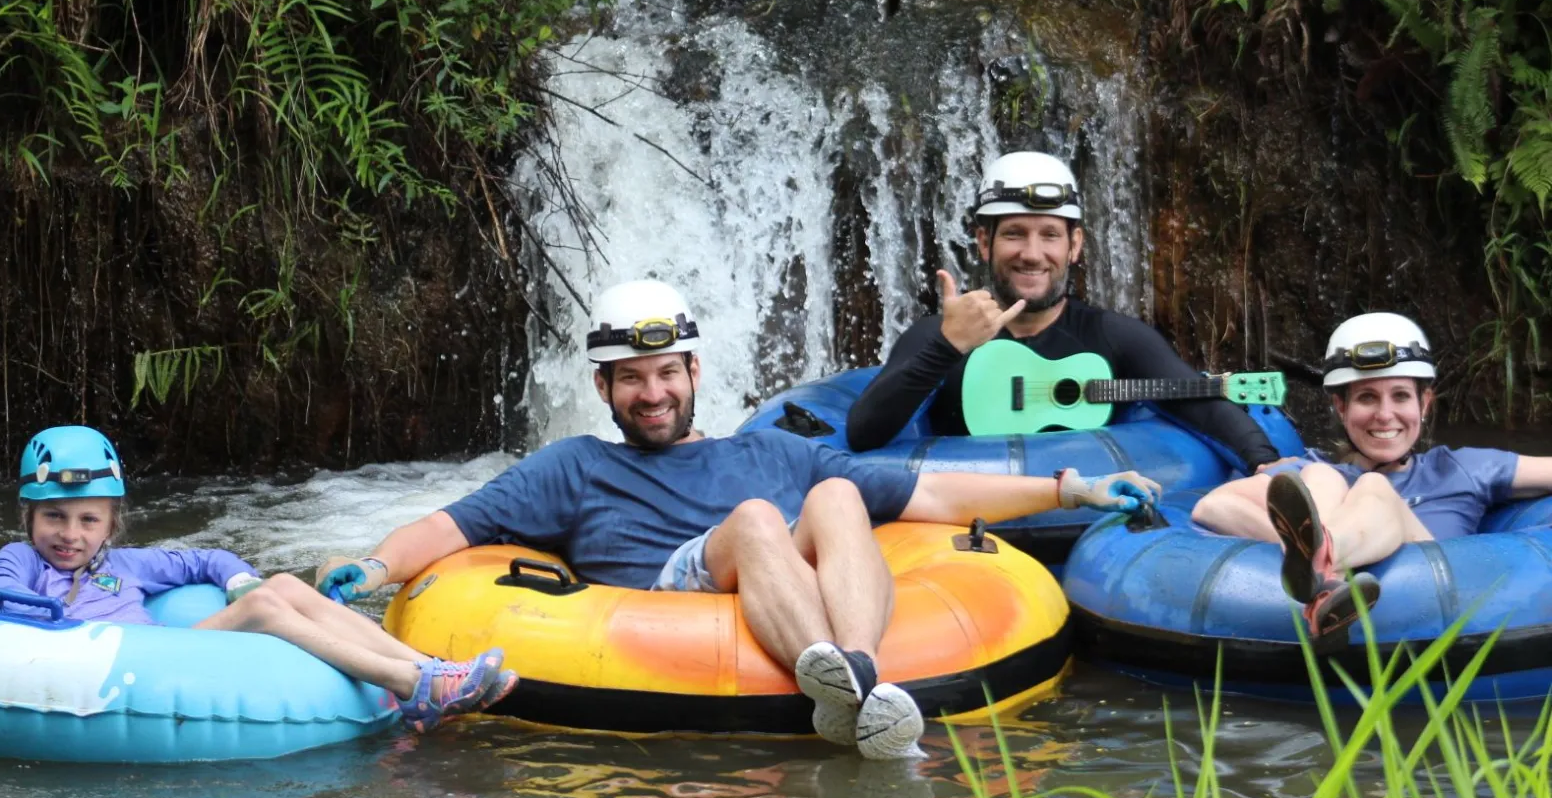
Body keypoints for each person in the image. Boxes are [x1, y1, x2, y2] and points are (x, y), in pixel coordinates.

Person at [317, 279, 1161, 760]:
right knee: (758, 520)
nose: (652, 394)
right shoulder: (577, 465)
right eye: (631, 380)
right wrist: (378, 567)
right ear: (605, 389)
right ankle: (844, 683)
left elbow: (927, 493)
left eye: (666, 374)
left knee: (837, 497)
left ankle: (860, 680)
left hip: (778, 586)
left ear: (692, 371)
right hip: (662, 600)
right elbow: (455, 526)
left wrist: (1071, 492)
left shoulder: (775, 452)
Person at [0, 425, 516, 733]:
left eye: (88, 520)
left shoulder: (127, 565)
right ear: (29, 517)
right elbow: (0, 596)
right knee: (262, 611)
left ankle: (434, 671)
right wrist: (45, 614)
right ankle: (410, 687)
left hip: (164, 652)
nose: (70, 535)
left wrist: (240, 578)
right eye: (53, 516)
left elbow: (209, 559)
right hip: (117, 664)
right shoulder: (24, 559)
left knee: (280, 586)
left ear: (110, 524)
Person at [844, 150, 1280, 472]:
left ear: (1074, 246)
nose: (1032, 254)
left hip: (1088, 526)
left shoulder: (1114, 337)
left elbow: (1199, 402)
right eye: (1015, 233)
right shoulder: (938, 336)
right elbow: (863, 433)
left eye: (1050, 235)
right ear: (983, 242)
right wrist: (946, 347)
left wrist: (1266, 465)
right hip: (967, 531)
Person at [1191, 313, 1552, 637]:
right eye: (1366, 398)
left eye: (1400, 396)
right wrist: (1292, 545)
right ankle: (1323, 566)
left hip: (1435, 605)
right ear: (1341, 407)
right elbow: (1214, 506)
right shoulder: (1315, 470)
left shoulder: (1462, 469)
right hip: (1345, 603)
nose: (1385, 414)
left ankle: (1323, 562)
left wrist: (1307, 553)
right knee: (1320, 476)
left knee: (1374, 485)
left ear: (1423, 404)